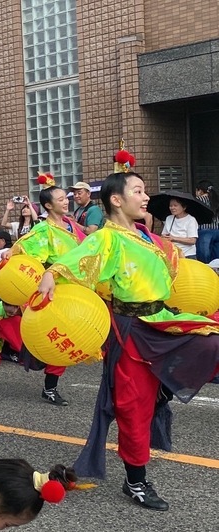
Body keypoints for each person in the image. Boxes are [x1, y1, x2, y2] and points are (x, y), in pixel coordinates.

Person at [37, 171, 219, 510]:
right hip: (131, 329)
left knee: (211, 338)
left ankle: (166, 384)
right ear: (117, 200)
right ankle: (135, 481)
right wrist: (51, 273)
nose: (146, 196)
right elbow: (79, 261)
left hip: (162, 318)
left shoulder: (147, 236)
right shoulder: (108, 238)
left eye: (145, 190)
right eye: (138, 190)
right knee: (133, 408)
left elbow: (176, 272)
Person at [10, 182, 86, 406]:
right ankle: (50, 388)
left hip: (76, 291)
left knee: (69, 338)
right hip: (55, 292)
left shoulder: (71, 226)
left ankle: (48, 382)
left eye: (66, 198)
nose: (66, 201)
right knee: (59, 338)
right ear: (47, 205)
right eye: (60, 199)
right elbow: (33, 260)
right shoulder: (43, 230)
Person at [194, 180, 219, 263]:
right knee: (216, 257)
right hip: (216, 231)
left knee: (204, 259)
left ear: (200, 191)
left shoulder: (198, 200)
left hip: (204, 231)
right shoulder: (216, 199)